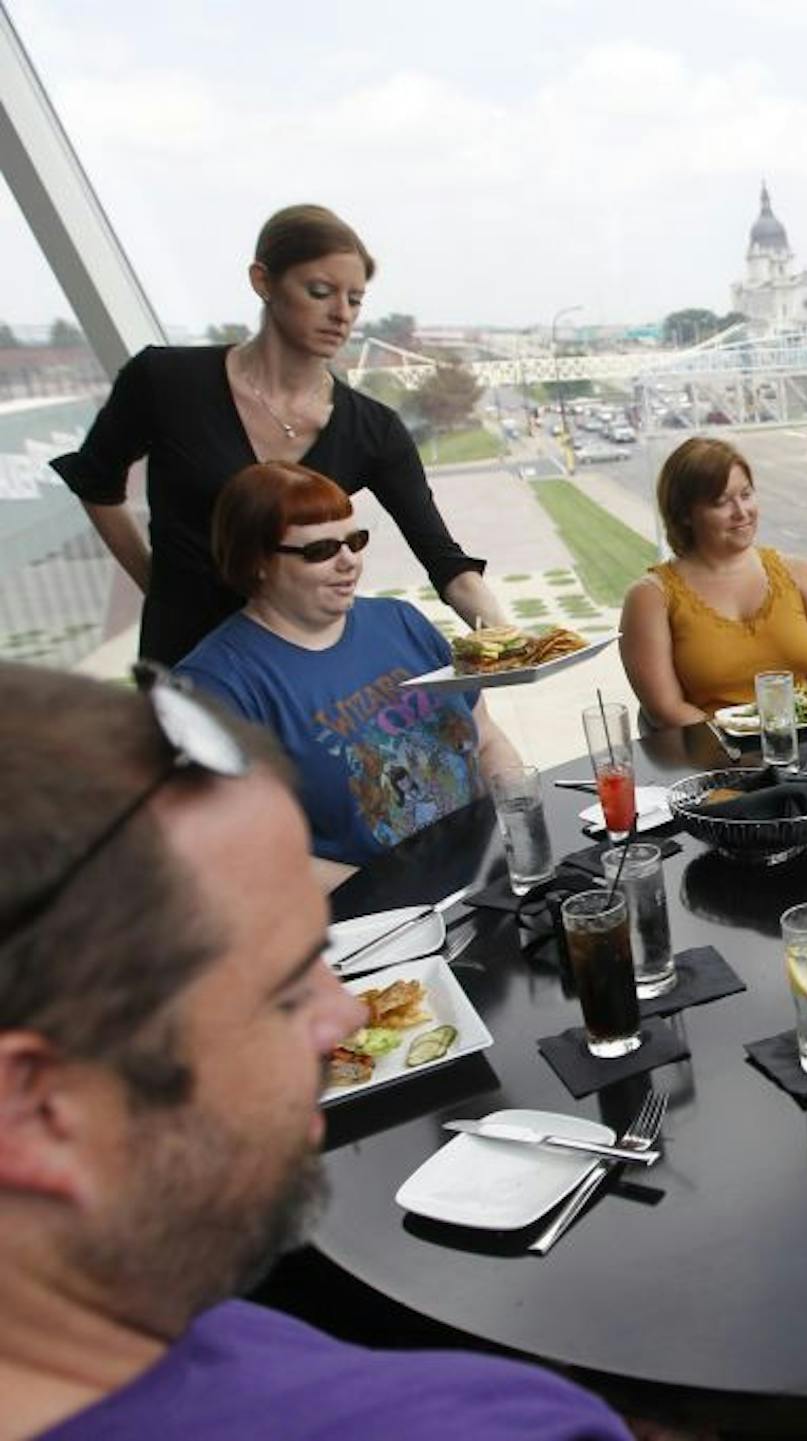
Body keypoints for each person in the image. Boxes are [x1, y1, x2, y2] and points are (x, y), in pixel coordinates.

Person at [0, 663, 631, 1439]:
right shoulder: (495, 1424)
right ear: (36, 1105)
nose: (343, 1014)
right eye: (289, 989)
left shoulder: (148, 1303)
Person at [51, 203, 509, 668]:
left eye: (354, 300)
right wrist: (158, 586)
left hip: (305, 675)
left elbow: (446, 562)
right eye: (320, 291)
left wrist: (509, 638)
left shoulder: (374, 430)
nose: (341, 315)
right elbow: (96, 483)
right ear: (263, 281)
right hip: (186, 663)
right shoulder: (164, 380)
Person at [174, 462, 516, 885]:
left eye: (355, 541)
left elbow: (487, 739)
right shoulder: (216, 686)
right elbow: (244, 854)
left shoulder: (402, 621)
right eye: (320, 551)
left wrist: (519, 821)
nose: (349, 562)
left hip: (487, 874)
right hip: (377, 926)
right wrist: (396, 898)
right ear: (256, 561)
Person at [619, 435, 807, 724]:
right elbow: (667, 710)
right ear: (685, 515)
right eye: (721, 502)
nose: (742, 512)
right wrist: (749, 747)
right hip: (713, 760)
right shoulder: (649, 599)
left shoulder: (801, 574)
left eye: (746, 494)